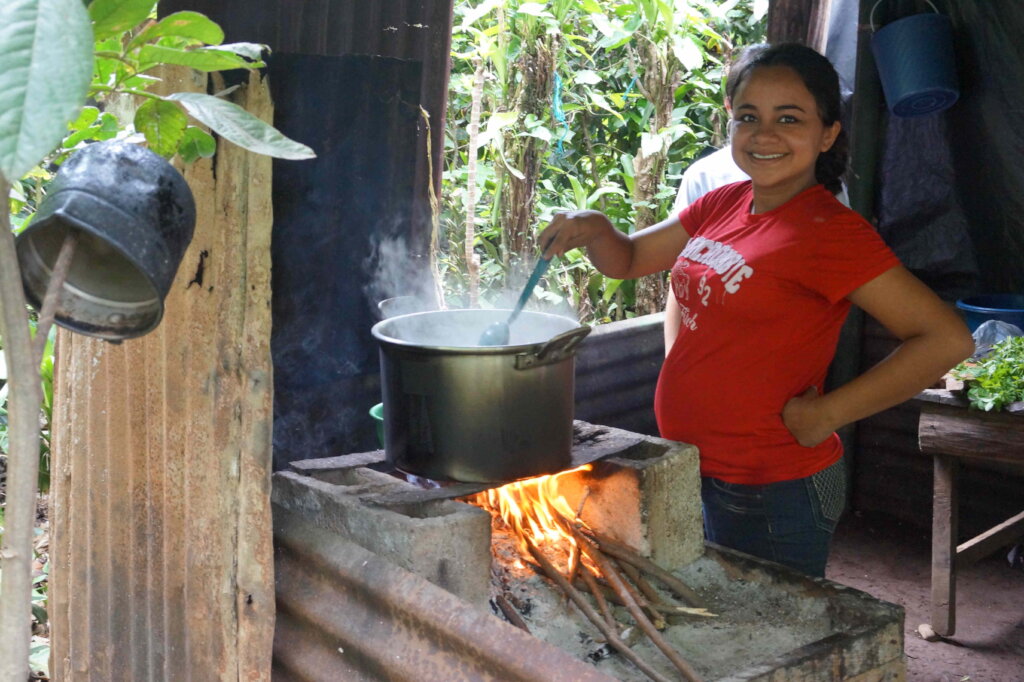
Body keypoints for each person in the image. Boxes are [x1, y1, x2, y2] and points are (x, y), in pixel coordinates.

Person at [539, 43, 974, 577]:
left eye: (788, 118)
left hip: (771, 485)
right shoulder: (724, 202)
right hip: (693, 464)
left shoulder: (830, 233)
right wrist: (597, 228)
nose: (764, 134)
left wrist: (826, 415)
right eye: (749, 117)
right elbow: (628, 259)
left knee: (770, 637)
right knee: (716, 619)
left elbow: (946, 339)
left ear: (827, 133)